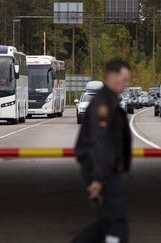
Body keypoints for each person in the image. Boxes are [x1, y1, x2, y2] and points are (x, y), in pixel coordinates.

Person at [71, 59, 132, 243]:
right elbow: (99, 142)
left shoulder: (110, 100)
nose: (127, 84)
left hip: (105, 169)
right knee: (117, 223)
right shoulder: (102, 105)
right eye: (124, 79)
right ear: (112, 78)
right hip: (101, 171)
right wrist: (97, 178)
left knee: (104, 224)